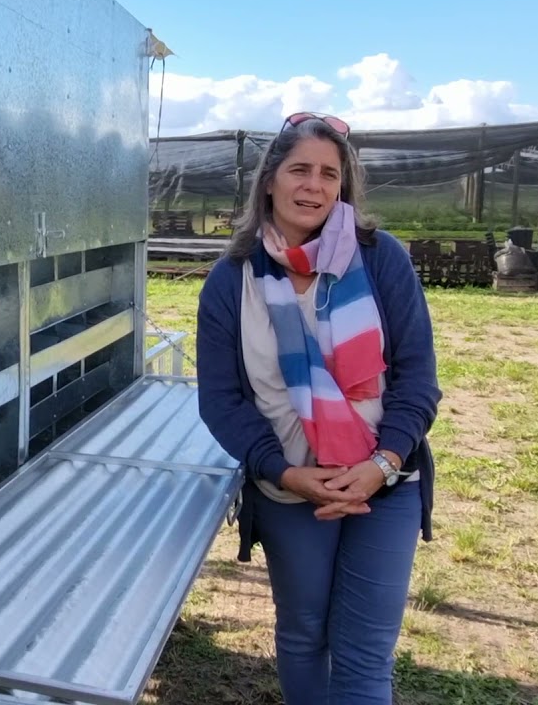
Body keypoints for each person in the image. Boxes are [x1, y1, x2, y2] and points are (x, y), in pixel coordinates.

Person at [196, 112, 441, 705]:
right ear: (269, 181)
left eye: (330, 174)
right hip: (289, 489)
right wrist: (285, 473)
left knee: (364, 655)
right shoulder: (232, 281)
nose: (314, 185)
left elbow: (417, 378)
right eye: (299, 170)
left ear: (343, 186)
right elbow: (222, 400)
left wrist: (381, 464)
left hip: (385, 483)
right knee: (304, 636)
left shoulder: (381, 259)